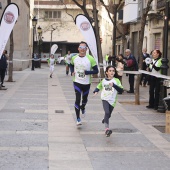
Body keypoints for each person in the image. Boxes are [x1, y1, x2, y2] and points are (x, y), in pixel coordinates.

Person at [70, 41, 98, 126]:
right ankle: (78, 118)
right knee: (77, 99)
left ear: (86, 49)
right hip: (77, 81)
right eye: (80, 47)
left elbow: (96, 70)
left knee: (84, 99)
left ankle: (83, 107)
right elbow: (71, 65)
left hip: (86, 83)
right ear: (78, 48)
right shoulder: (74, 58)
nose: (82, 49)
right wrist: (72, 72)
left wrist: (88, 72)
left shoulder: (90, 59)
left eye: (84, 48)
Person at [93, 66, 123, 137]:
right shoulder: (103, 80)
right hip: (105, 99)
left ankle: (105, 119)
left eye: (113, 71)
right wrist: (96, 91)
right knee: (107, 112)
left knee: (108, 115)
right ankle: (107, 130)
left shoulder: (116, 80)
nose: (112, 72)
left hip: (112, 101)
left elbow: (121, 90)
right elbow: (99, 86)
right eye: (110, 71)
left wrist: (114, 85)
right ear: (106, 72)